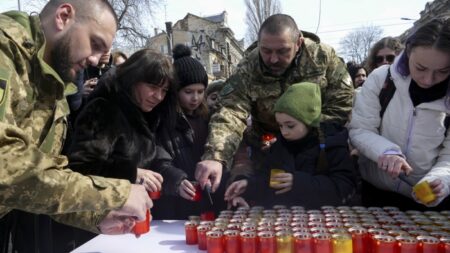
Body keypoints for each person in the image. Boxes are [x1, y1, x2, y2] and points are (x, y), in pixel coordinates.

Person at [0, 0, 152, 251]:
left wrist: (97, 216)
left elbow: (43, 183)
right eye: (95, 44)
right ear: (63, 16)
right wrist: (116, 193)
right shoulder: (5, 49)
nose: (95, 60)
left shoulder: (54, 85)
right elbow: (5, 166)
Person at [196, 14, 354, 192]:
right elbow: (230, 112)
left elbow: (342, 102)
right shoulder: (248, 67)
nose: (273, 59)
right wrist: (216, 156)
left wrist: (305, 134)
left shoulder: (322, 57)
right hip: (268, 154)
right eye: (266, 51)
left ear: (298, 43)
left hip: (318, 154)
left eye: (282, 51)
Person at [349, 18, 450, 210]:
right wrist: (385, 152)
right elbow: (360, 129)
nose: (428, 80)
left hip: (427, 200)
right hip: (377, 192)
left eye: (443, 71)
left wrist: (441, 181)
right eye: (420, 68)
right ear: (408, 52)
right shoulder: (382, 79)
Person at [225, 82, 356, 209]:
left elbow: (344, 187)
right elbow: (268, 179)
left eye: (290, 125)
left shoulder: (332, 143)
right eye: (280, 125)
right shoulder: (279, 145)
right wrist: (248, 186)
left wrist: (299, 183)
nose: (284, 131)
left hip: (324, 221)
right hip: (285, 219)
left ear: (309, 121)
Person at [152, 44, 227, 219]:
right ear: (175, 91)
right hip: (175, 202)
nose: (195, 98)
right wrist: (176, 180)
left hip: (207, 198)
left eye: (201, 91)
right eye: (188, 92)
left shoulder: (208, 117)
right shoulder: (163, 120)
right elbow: (157, 158)